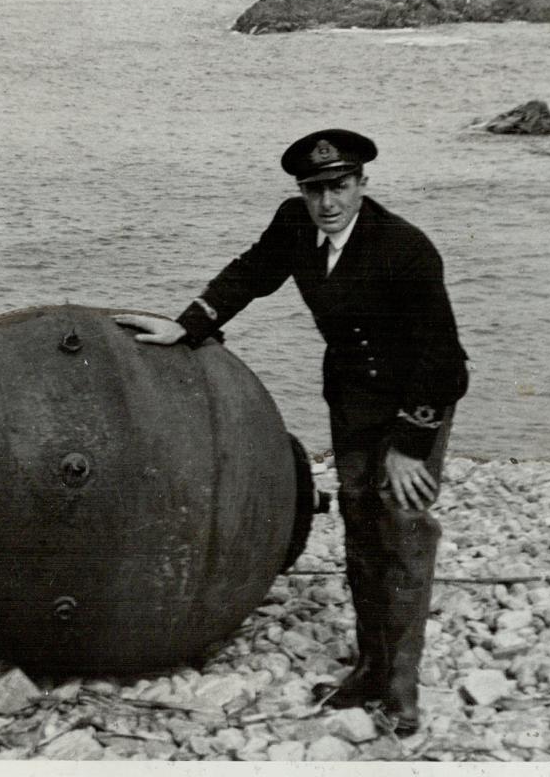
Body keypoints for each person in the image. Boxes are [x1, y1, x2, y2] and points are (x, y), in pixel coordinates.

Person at [115, 128, 468, 736]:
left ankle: (402, 689)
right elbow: (252, 271)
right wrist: (188, 325)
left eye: (339, 186)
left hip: (417, 402)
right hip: (355, 401)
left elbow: (444, 361)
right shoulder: (295, 225)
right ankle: (371, 668)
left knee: (404, 530)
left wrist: (411, 448)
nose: (327, 202)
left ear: (362, 184)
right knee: (361, 526)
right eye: (315, 190)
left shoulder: (405, 249)